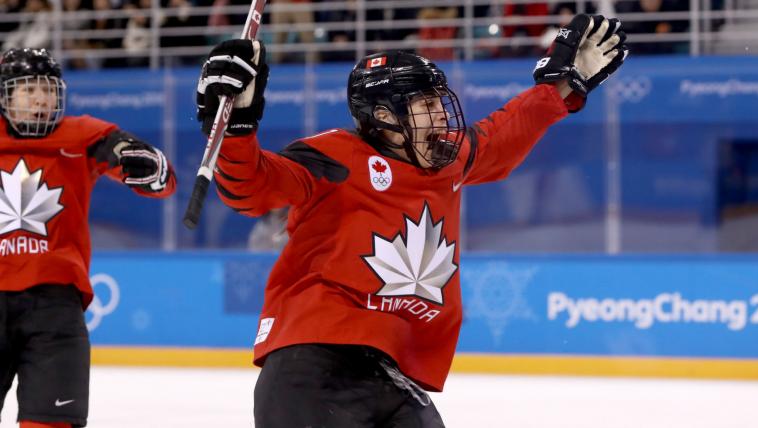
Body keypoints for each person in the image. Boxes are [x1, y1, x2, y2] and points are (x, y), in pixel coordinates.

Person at [196, 14, 627, 427]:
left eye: (439, 100)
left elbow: (503, 135)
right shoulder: (333, 157)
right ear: (383, 116)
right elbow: (251, 189)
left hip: (387, 371)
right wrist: (236, 127)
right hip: (313, 365)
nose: (440, 112)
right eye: (425, 103)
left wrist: (559, 86)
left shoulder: (446, 160)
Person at [0, 48, 176, 428]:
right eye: (29, 89)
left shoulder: (80, 136)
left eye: (48, 89)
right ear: (6, 97)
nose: (41, 99)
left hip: (54, 307)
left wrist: (149, 167)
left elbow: (157, 178)